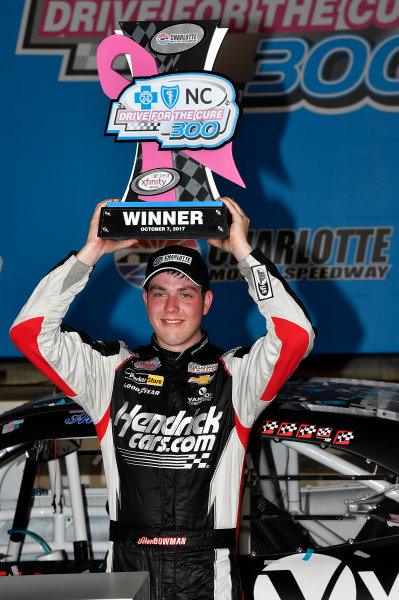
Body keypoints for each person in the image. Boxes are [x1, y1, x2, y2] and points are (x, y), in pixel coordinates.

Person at [10, 196, 315, 600]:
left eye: (186, 294)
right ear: (145, 300)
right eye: (159, 293)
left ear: (206, 301)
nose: (171, 306)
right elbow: (29, 331)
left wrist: (244, 252)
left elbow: (296, 335)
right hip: (127, 572)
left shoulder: (238, 376)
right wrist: (91, 252)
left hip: (208, 575)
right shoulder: (110, 371)